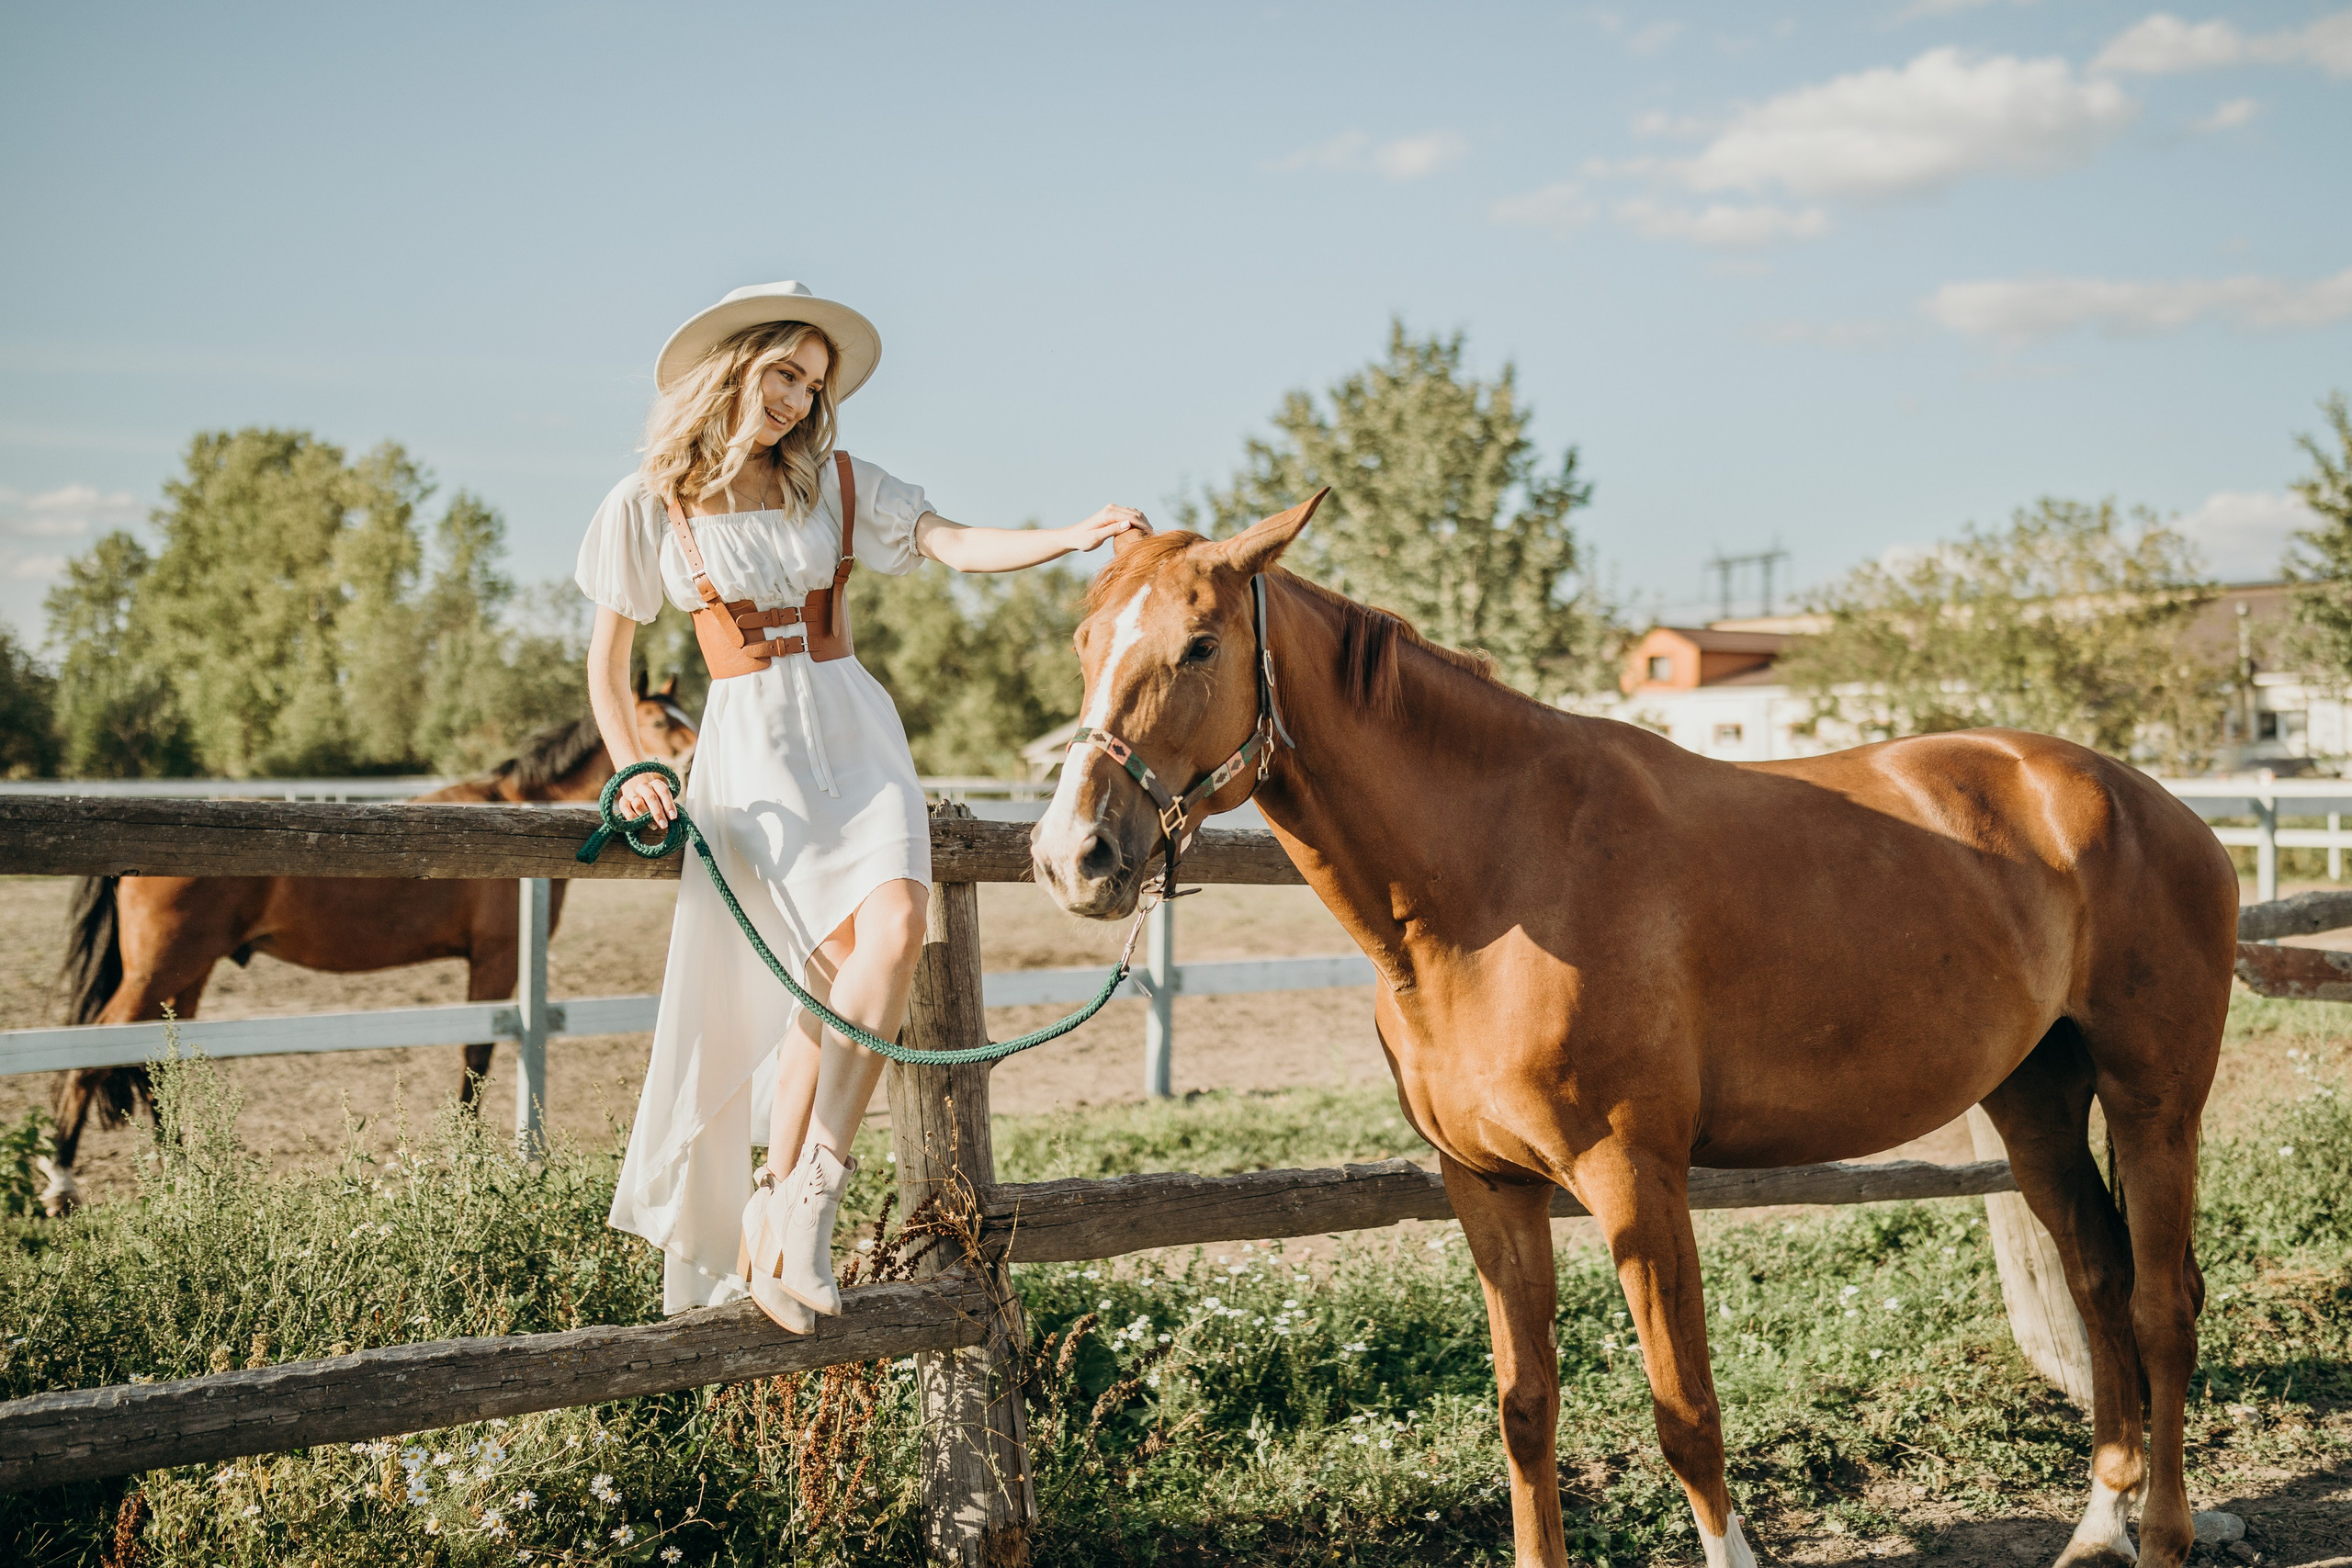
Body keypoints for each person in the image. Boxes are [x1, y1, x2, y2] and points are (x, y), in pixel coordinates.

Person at [575, 281, 1148, 1329]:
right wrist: (636, 765)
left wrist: (1071, 534)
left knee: (895, 926)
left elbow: (952, 541)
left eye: (813, 383)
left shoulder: (834, 482)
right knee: (821, 983)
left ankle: (810, 1193)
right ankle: (768, 1212)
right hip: (752, 755)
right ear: (735, 366)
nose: (798, 399)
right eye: (784, 373)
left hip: (856, 729)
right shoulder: (645, 502)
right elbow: (609, 673)